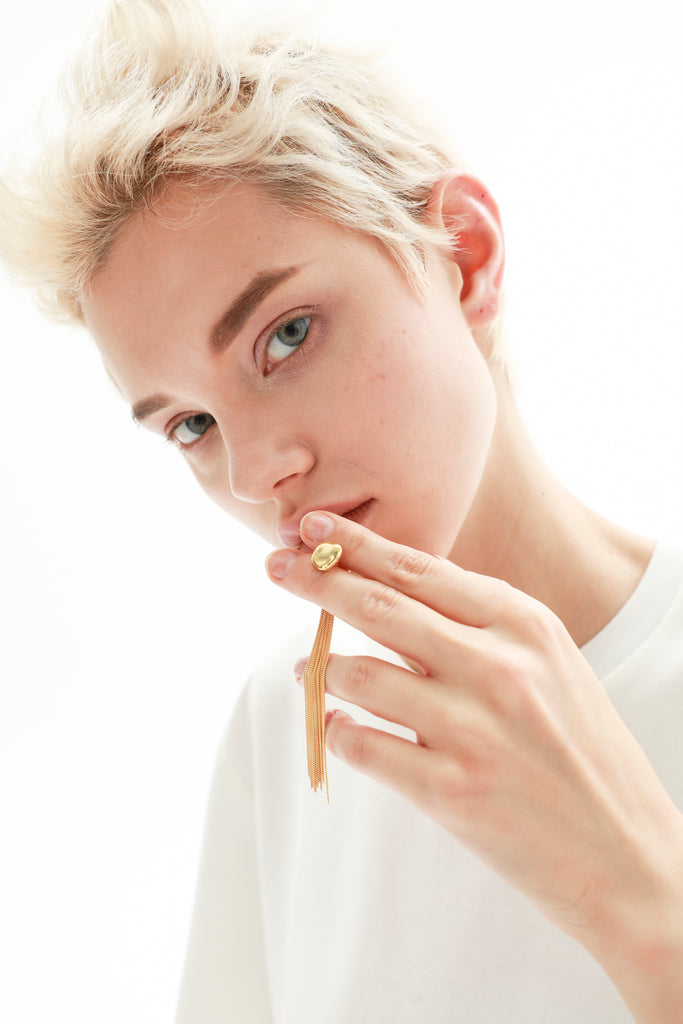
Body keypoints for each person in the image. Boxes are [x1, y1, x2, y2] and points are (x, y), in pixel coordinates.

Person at [2, 1, 683, 1021]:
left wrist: (642, 907)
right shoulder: (288, 724)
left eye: (285, 336)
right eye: (191, 425)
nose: (256, 473)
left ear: (461, 254)